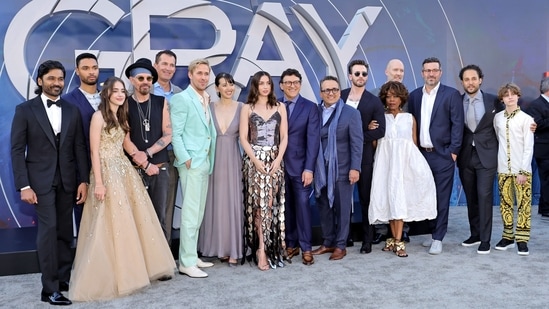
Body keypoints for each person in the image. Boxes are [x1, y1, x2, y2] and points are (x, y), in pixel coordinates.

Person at [69, 77, 175, 301]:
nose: (119, 94)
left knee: (132, 222)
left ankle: (132, 271)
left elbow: (127, 145)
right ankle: (113, 276)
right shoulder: (98, 117)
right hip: (106, 171)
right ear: (106, 94)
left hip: (124, 169)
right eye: (114, 91)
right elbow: (94, 152)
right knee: (110, 223)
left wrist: (145, 164)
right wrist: (98, 182)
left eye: (121, 91)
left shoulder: (121, 115)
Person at [10, 60, 89, 305]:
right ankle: (49, 289)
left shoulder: (71, 110)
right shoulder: (25, 110)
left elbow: (79, 148)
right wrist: (24, 186)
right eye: (52, 78)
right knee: (48, 231)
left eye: (60, 79)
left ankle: (62, 279)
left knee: (65, 233)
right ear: (40, 81)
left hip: (67, 180)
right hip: (39, 183)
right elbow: (16, 150)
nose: (57, 83)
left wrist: (84, 180)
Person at [368, 81, 437, 257]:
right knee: (388, 199)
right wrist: (370, 129)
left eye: (395, 96)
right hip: (385, 164)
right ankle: (392, 238)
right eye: (388, 96)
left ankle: (398, 241)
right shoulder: (380, 118)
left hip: (405, 166)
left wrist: (414, 168)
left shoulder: (409, 118)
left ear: (401, 98)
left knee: (399, 199)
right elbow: (376, 144)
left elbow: (413, 144)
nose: (392, 100)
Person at [407, 57, 464, 255]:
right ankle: (432, 232)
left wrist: (453, 152)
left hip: (443, 155)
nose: (431, 74)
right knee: (425, 195)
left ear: (440, 72)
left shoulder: (451, 94)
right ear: (422, 73)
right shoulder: (414, 96)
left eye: (434, 70)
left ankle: (438, 237)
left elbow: (458, 124)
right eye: (427, 70)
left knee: (441, 197)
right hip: (421, 155)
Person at [170, 58, 217, 278]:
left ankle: (191, 255)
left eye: (206, 74)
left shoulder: (206, 98)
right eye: (199, 73)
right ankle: (186, 263)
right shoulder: (182, 99)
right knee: (189, 213)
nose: (203, 77)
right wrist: (185, 158)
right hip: (191, 163)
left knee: (197, 212)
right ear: (190, 75)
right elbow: (176, 134)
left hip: (204, 162)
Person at [240, 71, 288, 271]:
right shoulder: (247, 108)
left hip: (275, 161)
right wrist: (255, 161)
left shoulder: (280, 107)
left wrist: (278, 159)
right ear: (255, 86)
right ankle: (260, 248)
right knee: (258, 206)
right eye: (261, 83)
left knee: (270, 204)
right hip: (254, 161)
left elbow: (284, 136)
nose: (265, 86)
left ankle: (269, 246)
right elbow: (244, 138)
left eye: (268, 83)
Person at [312, 76, 363, 261]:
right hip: (320, 171)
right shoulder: (314, 112)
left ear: (339, 91)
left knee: (342, 209)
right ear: (321, 93)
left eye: (334, 89)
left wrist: (355, 168)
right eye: (326, 90)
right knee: (323, 207)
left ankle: (341, 245)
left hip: (343, 169)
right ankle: (328, 242)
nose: (331, 93)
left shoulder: (350, 113)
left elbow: (357, 143)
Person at [340, 59, 385, 254]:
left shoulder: (374, 101)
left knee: (366, 198)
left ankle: (367, 239)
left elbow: (380, 130)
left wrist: (357, 137)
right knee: (342, 198)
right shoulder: (339, 97)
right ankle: (344, 236)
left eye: (364, 74)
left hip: (364, 156)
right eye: (356, 73)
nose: (360, 77)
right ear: (350, 76)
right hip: (341, 156)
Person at [123, 58, 172, 239]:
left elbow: (168, 134)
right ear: (131, 80)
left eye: (149, 79)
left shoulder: (161, 102)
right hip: (134, 169)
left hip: (160, 168)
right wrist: (142, 161)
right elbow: (124, 138)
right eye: (141, 78)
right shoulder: (125, 104)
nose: (145, 82)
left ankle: (162, 264)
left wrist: (148, 153)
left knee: (160, 216)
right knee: (137, 218)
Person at [198, 72, 243, 267]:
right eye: (223, 85)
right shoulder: (209, 107)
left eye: (231, 84)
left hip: (234, 159)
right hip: (213, 160)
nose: (228, 88)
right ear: (216, 88)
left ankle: (234, 249)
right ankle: (218, 248)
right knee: (215, 204)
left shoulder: (243, 108)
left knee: (234, 204)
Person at [456, 65, 503, 254]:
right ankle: (474, 234)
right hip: (465, 155)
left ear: (480, 80)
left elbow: (506, 120)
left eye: (473, 78)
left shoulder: (493, 101)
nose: (470, 82)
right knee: (471, 197)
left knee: (484, 196)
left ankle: (485, 239)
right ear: (462, 82)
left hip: (487, 155)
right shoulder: (457, 102)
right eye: (466, 79)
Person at [278, 68, 320, 265]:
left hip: (301, 167)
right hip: (278, 167)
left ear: (300, 84)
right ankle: (291, 244)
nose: (292, 85)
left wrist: (309, 169)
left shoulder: (310, 107)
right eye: (287, 82)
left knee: (303, 207)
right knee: (285, 209)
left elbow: (313, 141)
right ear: (281, 85)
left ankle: (306, 247)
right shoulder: (275, 106)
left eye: (295, 82)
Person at [369, 58, 410, 244]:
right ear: (386, 71)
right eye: (395, 69)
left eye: (401, 70)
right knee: (381, 189)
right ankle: (381, 229)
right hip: (382, 153)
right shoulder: (373, 95)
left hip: (402, 155)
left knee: (402, 189)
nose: (398, 73)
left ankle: (403, 231)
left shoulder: (410, 98)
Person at [493, 83, 534, 256]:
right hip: (503, 167)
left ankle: (522, 240)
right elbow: (498, 138)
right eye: (506, 94)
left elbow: (528, 146)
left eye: (513, 94)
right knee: (505, 204)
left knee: (523, 205)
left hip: (521, 169)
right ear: (502, 98)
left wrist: (523, 170)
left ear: (518, 96)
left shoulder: (527, 119)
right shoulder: (498, 119)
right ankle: (508, 236)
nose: (510, 97)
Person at [62, 52, 100, 233]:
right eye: (86, 68)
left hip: (110, 167)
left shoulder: (109, 98)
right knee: (86, 221)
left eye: (94, 68)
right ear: (77, 71)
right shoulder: (67, 101)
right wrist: (79, 177)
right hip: (81, 169)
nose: (91, 72)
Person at [152, 49, 182, 242]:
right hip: (148, 156)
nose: (168, 68)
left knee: (168, 205)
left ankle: (165, 253)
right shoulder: (143, 89)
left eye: (172, 65)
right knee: (148, 205)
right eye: (164, 64)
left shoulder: (180, 93)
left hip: (173, 155)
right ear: (156, 66)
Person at [524, 77, 549, 219]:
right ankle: (546, 209)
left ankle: (544, 207)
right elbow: (537, 124)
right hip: (543, 149)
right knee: (546, 179)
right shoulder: (535, 105)